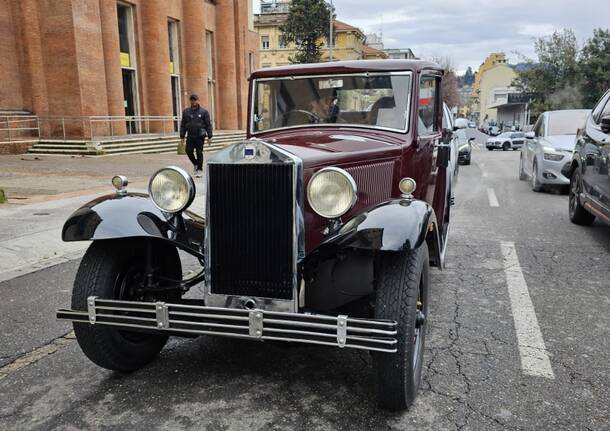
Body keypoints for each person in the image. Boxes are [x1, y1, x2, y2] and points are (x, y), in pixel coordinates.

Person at [180, 94, 212, 178]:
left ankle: (199, 170)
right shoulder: (186, 112)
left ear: (198, 100)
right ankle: (196, 163)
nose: (193, 101)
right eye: (192, 100)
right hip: (190, 136)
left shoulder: (204, 112)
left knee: (199, 152)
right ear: (190, 101)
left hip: (200, 136)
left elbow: (208, 125)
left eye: (195, 100)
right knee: (188, 151)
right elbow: (183, 124)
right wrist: (182, 136)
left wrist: (210, 136)